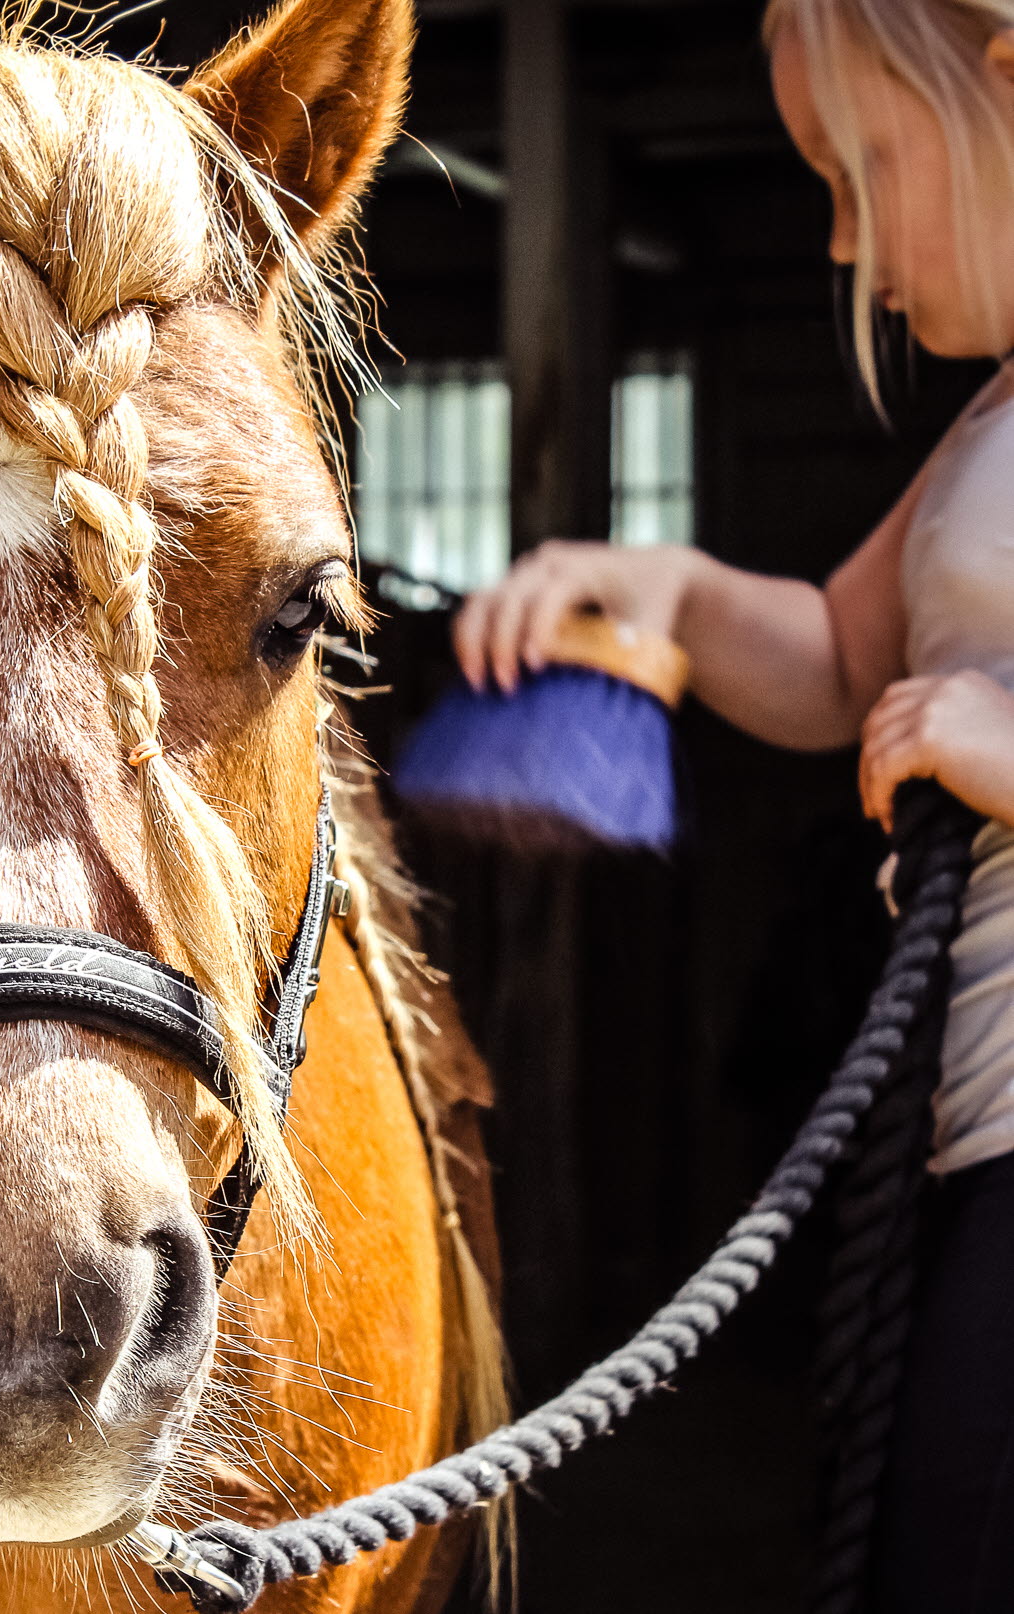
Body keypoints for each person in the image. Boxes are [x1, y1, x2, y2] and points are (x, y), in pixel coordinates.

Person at [455, 2, 1014, 1607]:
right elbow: (846, 654)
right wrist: (668, 592)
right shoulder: (985, 421)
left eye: (862, 169)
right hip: (966, 1142)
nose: (842, 245)